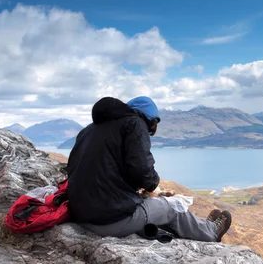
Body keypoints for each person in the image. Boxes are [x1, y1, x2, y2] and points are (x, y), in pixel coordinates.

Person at [66, 96, 231, 242]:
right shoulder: (134, 123)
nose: (150, 130)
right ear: (148, 118)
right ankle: (210, 232)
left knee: (150, 205)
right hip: (108, 221)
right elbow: (142, 169)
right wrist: (153, 186)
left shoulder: (89, 130)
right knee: (172, 206)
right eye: (152, 126)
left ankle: (201, 225)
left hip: (81, 215)